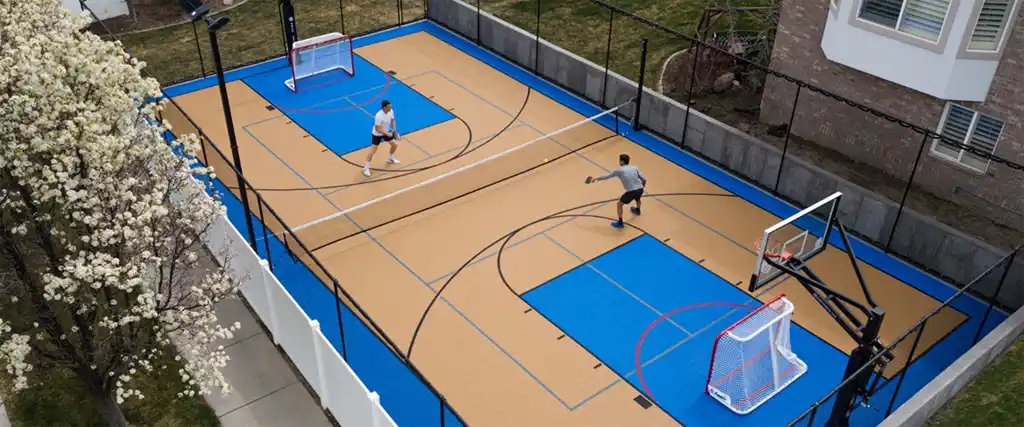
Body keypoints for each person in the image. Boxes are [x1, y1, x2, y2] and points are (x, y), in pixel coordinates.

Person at [586, 154, 647, 228]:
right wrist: (641, 187)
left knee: (619, 204)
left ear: (622, 161)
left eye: (619, 160)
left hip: (631, 191)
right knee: (638, 199)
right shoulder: (635, 167)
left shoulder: (619, 170)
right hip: (640, 188)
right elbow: (644, 179)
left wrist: (595, 178)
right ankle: (637, 210)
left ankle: (620, 223)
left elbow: (607, 176)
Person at [364, 100, 400, 177]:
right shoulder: (379, 116)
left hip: (386, 132)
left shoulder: (391, 111)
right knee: (373, 150)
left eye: (391, 106)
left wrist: (394, 130)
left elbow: (393, 120)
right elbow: (377, 128)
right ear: (384, 107)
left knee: (394, 145)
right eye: (389, 106)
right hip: (377, 134)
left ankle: (390, 158)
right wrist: (387, 134)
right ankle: (366, 168)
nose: (391, 107)